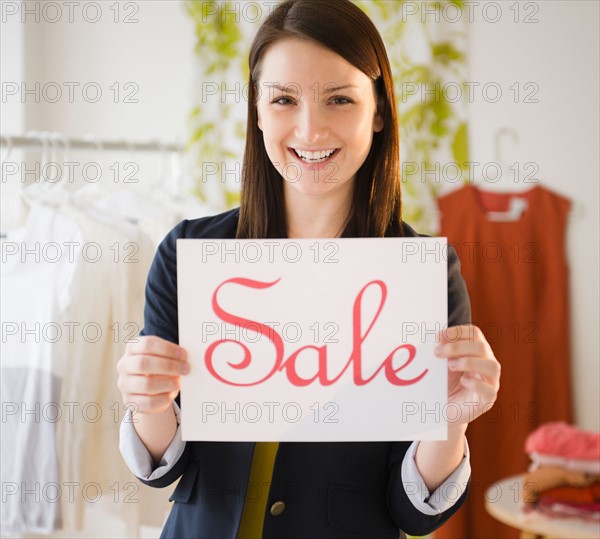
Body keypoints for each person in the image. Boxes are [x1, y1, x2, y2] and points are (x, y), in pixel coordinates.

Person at [117, 1, 501, 538]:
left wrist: (453, 418)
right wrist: (147, 401)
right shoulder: (188, 253)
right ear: (256, 110)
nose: (310, 129)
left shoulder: (423, 274)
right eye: (283, 100)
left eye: (339, 99)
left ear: (380, 111)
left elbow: (415, 511)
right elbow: (165, 470)